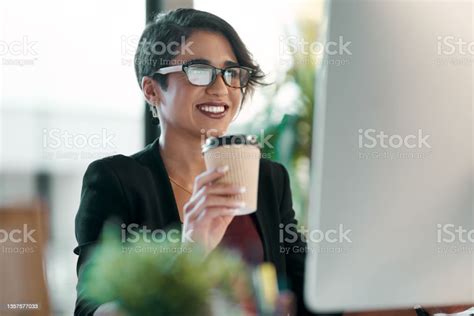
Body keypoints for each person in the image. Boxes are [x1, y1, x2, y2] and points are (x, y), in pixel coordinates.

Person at [74, 8, 471, 316]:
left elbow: (309, 297)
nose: (221, 88)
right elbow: (95, 309)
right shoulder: (115, 179)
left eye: (233, 73)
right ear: (151, 90)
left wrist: (422, 304)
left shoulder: (268, 179)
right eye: (199, 71)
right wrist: (191, 248)